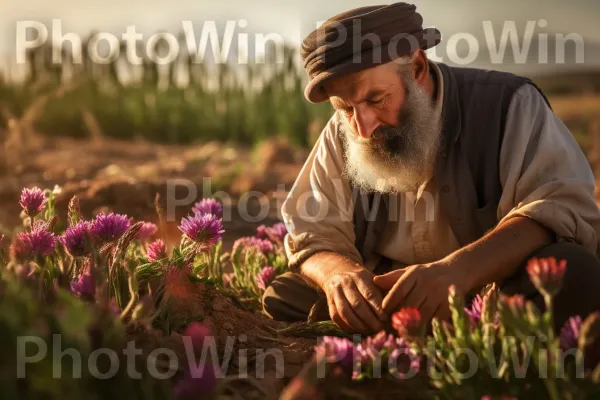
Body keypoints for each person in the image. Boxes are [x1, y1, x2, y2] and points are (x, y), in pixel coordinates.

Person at [262, 2, 600, 334]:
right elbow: (313, 233)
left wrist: (456, 272)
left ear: (418, 68)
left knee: (576, 273)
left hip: (489, 284)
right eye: (345, 108)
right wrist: (338, 275)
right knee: (286, 293)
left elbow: (557, 205)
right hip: (389, 295)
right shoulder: (345, 130)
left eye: (376, 99)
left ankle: (444, 333)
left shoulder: (508, 104)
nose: (362, 129)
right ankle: (430, 331)